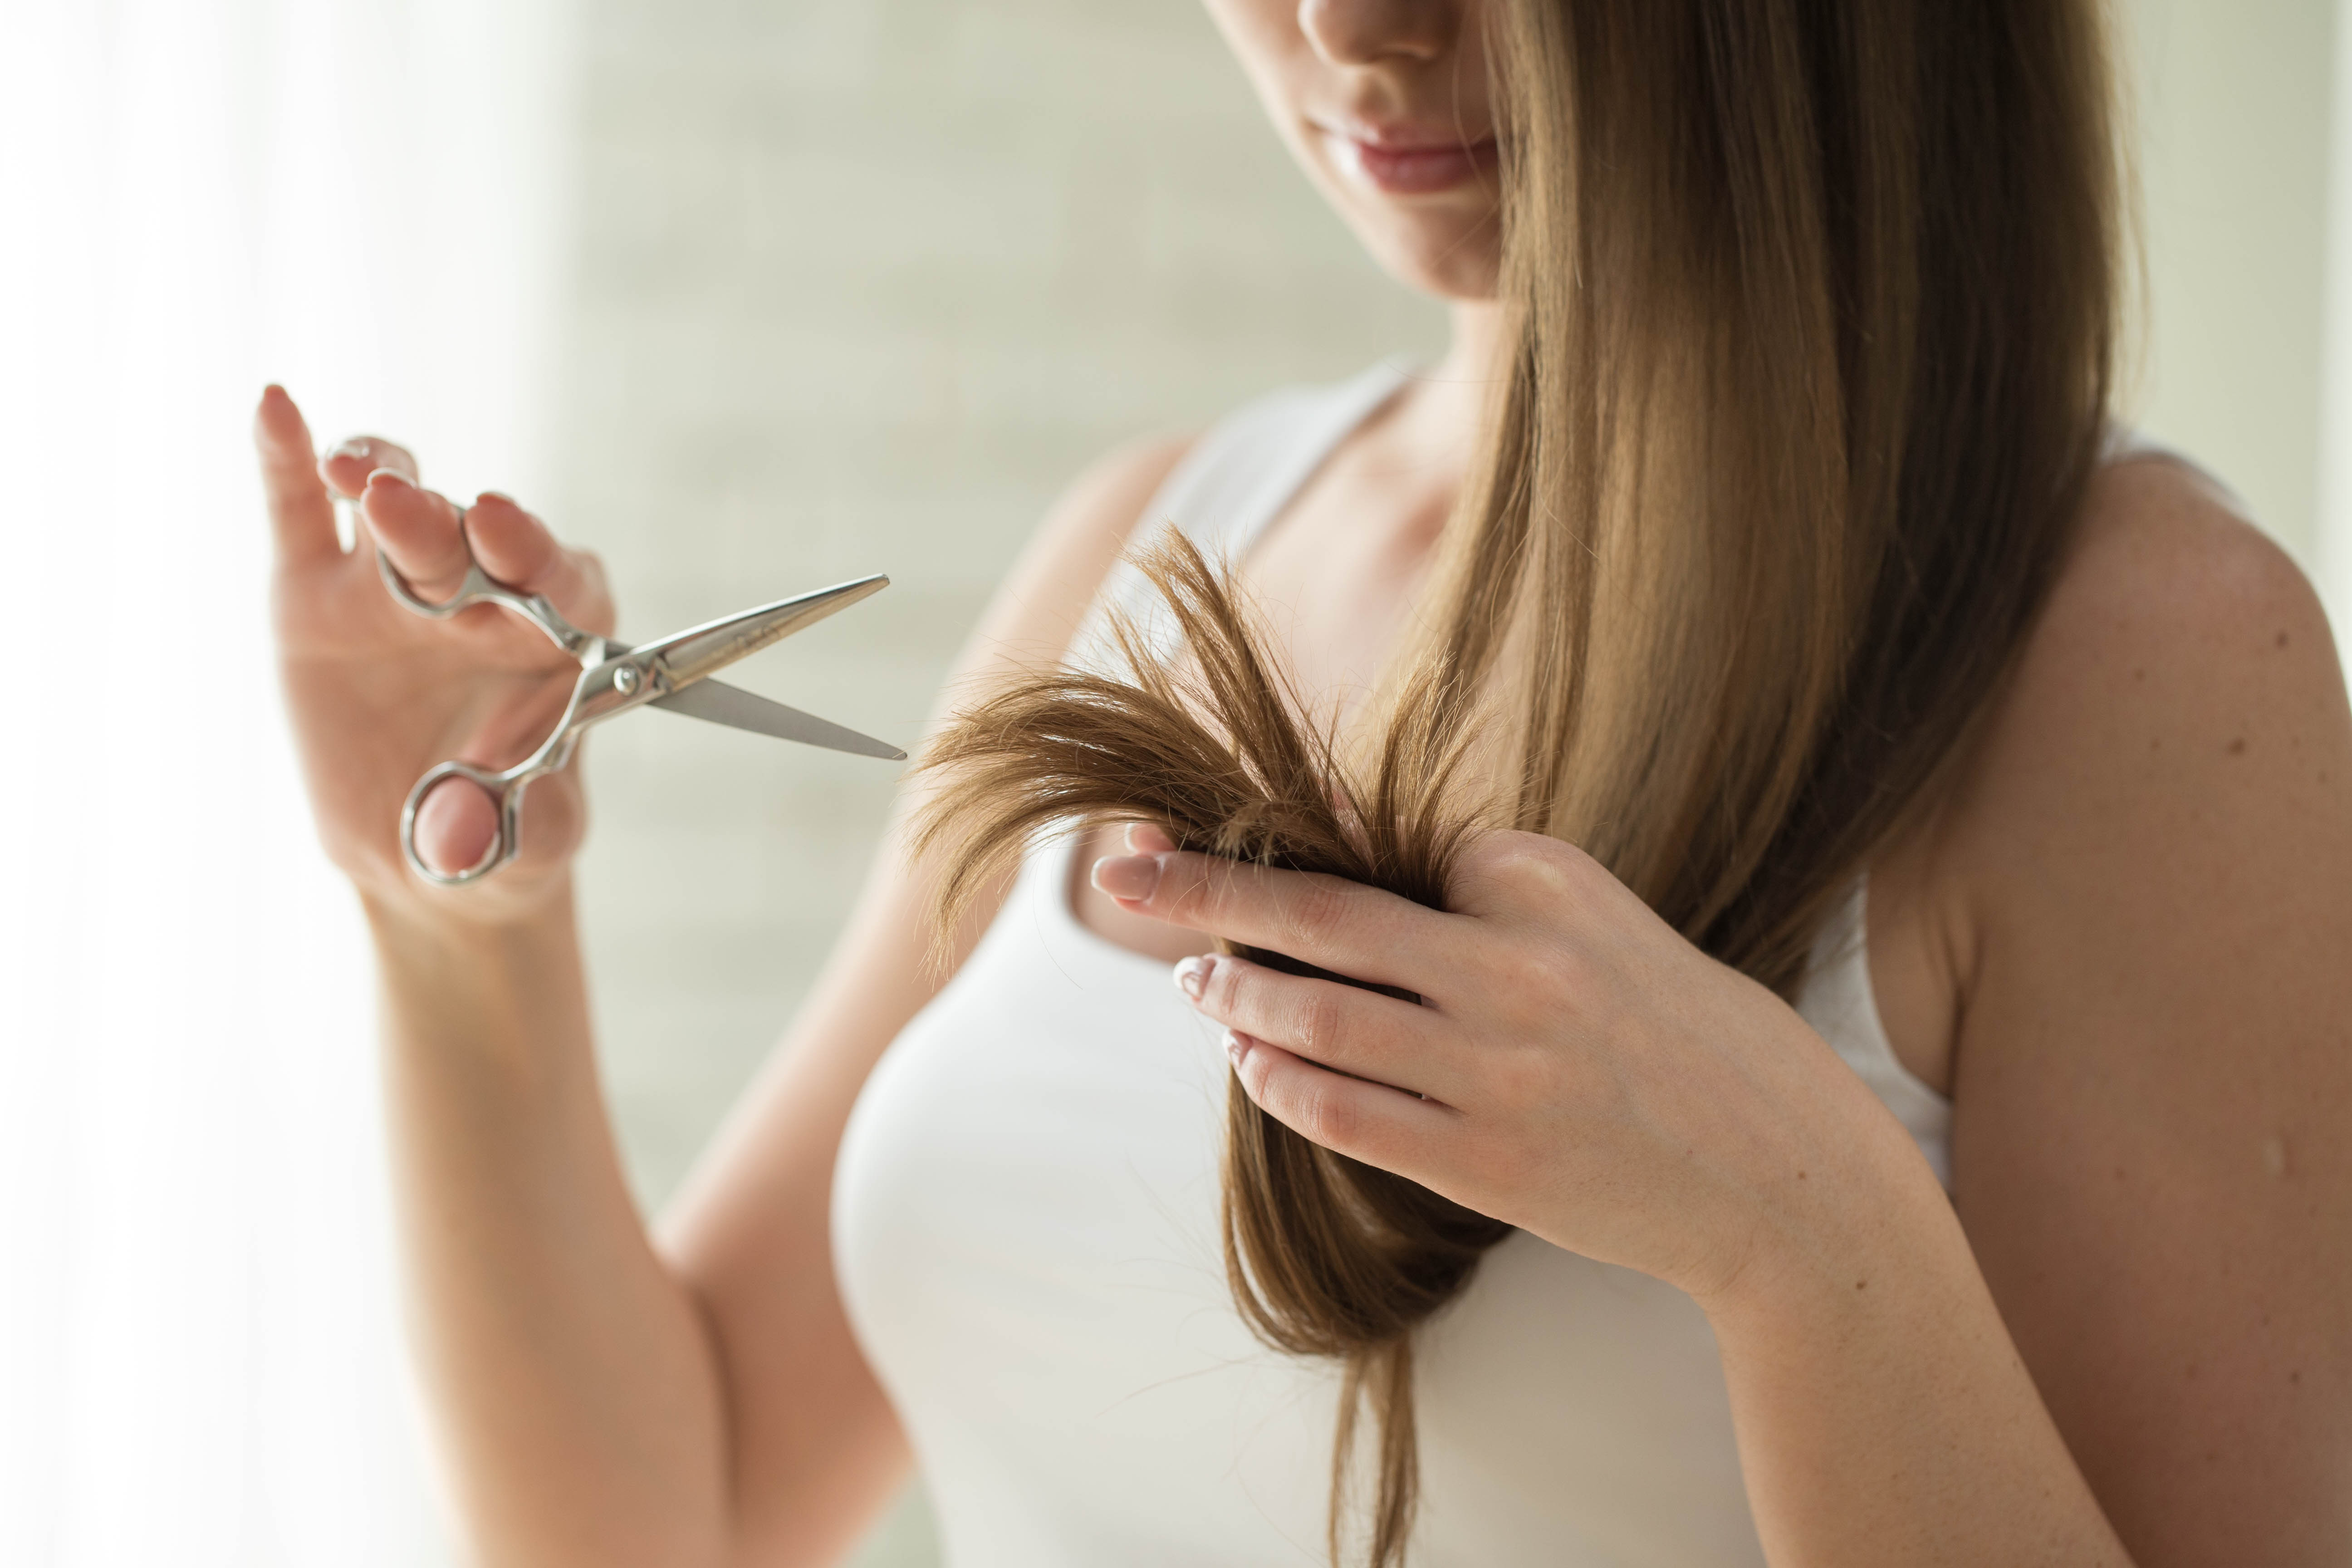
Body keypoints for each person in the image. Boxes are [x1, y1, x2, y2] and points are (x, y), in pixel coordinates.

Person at [252, 0, 2352, 1563]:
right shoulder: (1163, 540)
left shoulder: (2137, 659)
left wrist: (1805, 1233)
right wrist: (458, 924)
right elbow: (669, 1516)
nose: (1354, 29)